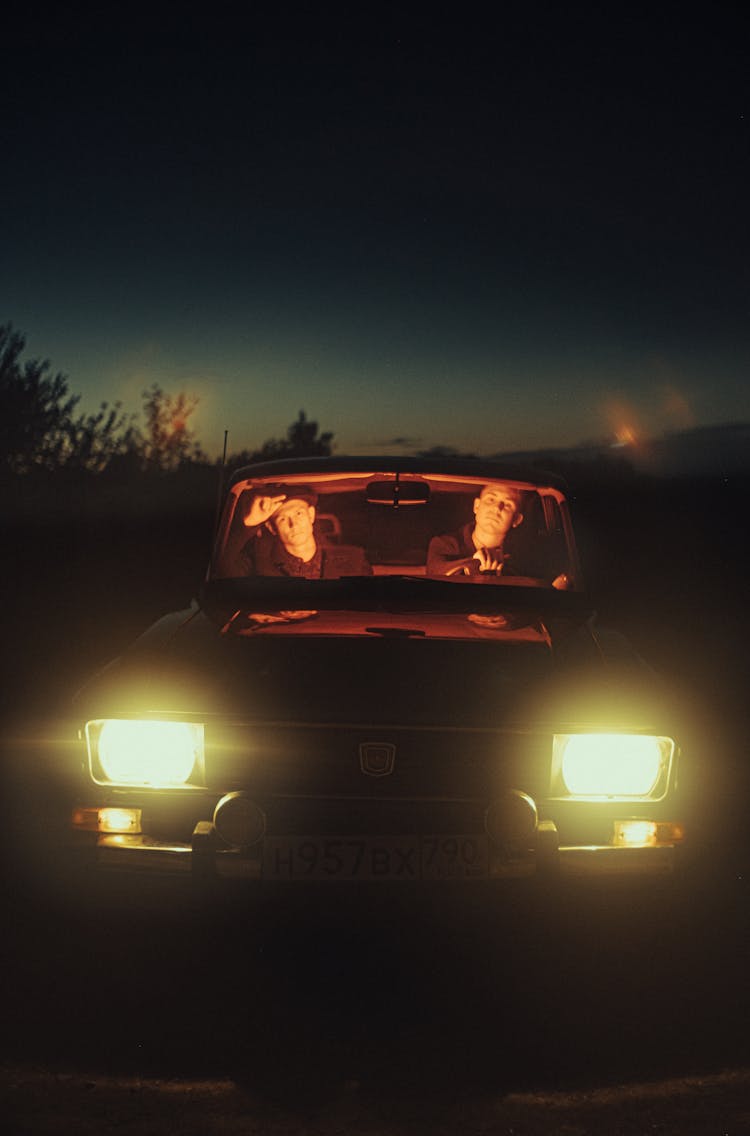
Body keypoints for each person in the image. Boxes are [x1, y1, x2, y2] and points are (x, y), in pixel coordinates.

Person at [427, 481, 570, 587]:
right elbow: (435, 577)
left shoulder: (525, 557)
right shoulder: (444, 545)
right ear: (477, 506)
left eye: (508, 504)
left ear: (516, 519)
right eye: (491, 499)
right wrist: (475, 563)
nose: (497, 508)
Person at [238, 485, 371, 578]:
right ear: (271, 528)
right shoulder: (257, 566)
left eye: (299, 513)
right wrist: (248, 524)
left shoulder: (354, 561)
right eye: (283, 519)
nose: (293, 524)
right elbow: (226, 571)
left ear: (311, 515)